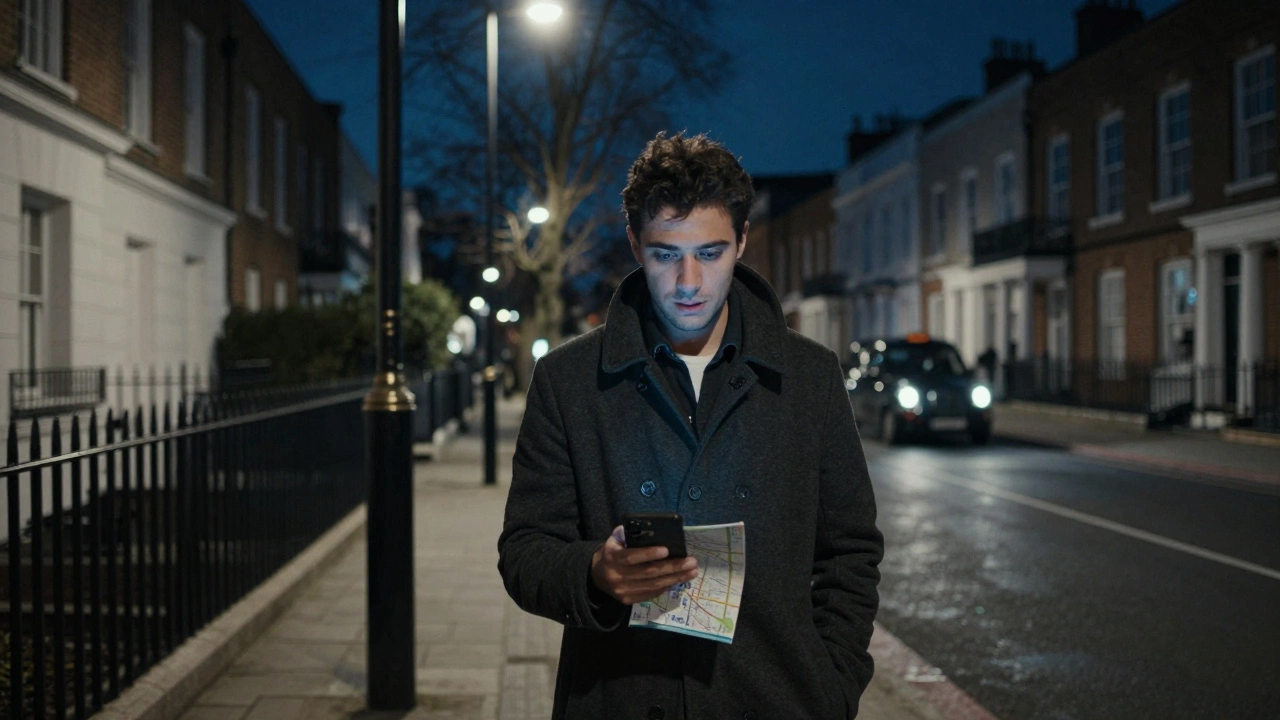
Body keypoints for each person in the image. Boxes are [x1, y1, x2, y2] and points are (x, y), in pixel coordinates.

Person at [498, 132, 883, 719]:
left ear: (742, 242)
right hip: (620, 698)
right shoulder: (568, 380)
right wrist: (595, 573)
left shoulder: (810, 376)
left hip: (779, 700)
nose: (688, 283)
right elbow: (525, 551)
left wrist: (833, 687)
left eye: (710, 253)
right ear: (634, 244)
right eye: (665, 254)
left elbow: (849, 553)